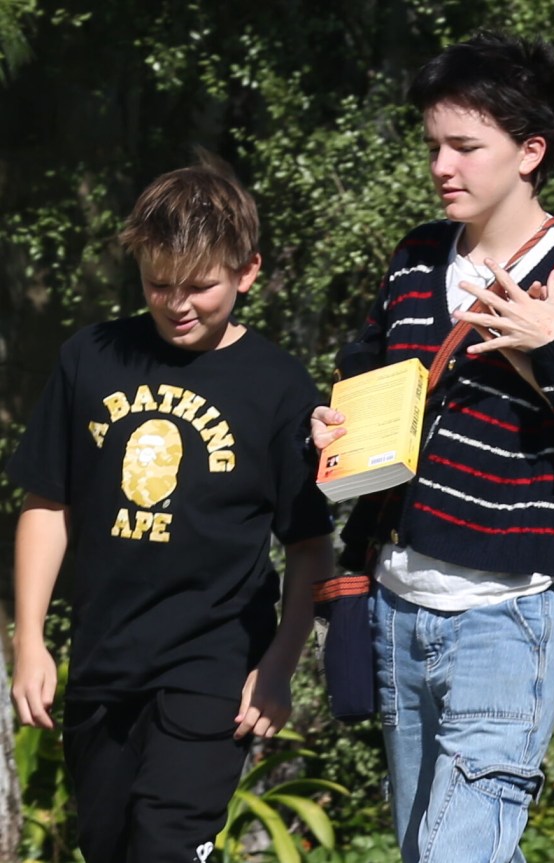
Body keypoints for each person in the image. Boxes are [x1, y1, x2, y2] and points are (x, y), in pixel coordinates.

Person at [312, 31, 554, 863]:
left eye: (466, 146)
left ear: (530, 151)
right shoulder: (414, 262)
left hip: (509, 614)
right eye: (434, 146)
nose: (443, 165)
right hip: (399, 604)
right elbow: (359, 383)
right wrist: (327, 427)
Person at [7, 153, 335, 862]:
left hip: (213, 665)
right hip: (104, 659)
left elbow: (310, 545)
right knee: (110, 844)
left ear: (247, 271)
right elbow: (47, 502)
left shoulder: (278, 387)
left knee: (164, 844)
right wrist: (30, 638)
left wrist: (279, 663)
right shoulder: (91, 358)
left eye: (200, 286)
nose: (178, 303)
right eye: (159, 284)